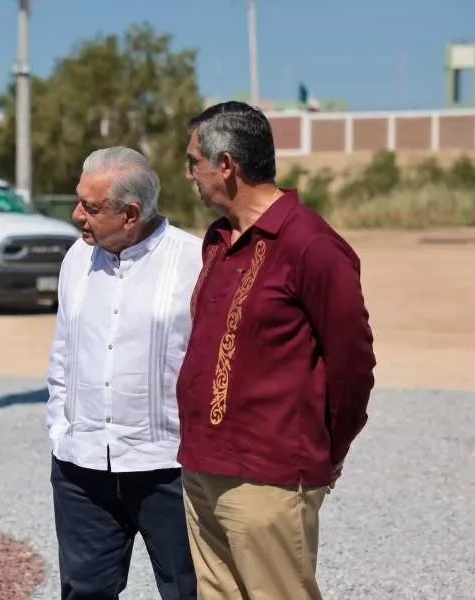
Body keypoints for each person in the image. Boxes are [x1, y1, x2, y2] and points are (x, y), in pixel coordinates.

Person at [177, 100, 376, 599]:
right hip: (202, 466)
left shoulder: (311, 244)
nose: (189, 174)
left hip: (269, 476)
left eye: (194, 162)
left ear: (227, 165)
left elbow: (353, 365)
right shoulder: (218, 239)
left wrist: (329, 450)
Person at [46, 146, 202, 600]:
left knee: (188, 591)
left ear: (131, 214)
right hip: (82, 468)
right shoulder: (76, 259)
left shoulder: (196, 261)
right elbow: (63, 352)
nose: (77, 215)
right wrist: (60, 428)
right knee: (84, 592)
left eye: (90, 207)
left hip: (168, 469)